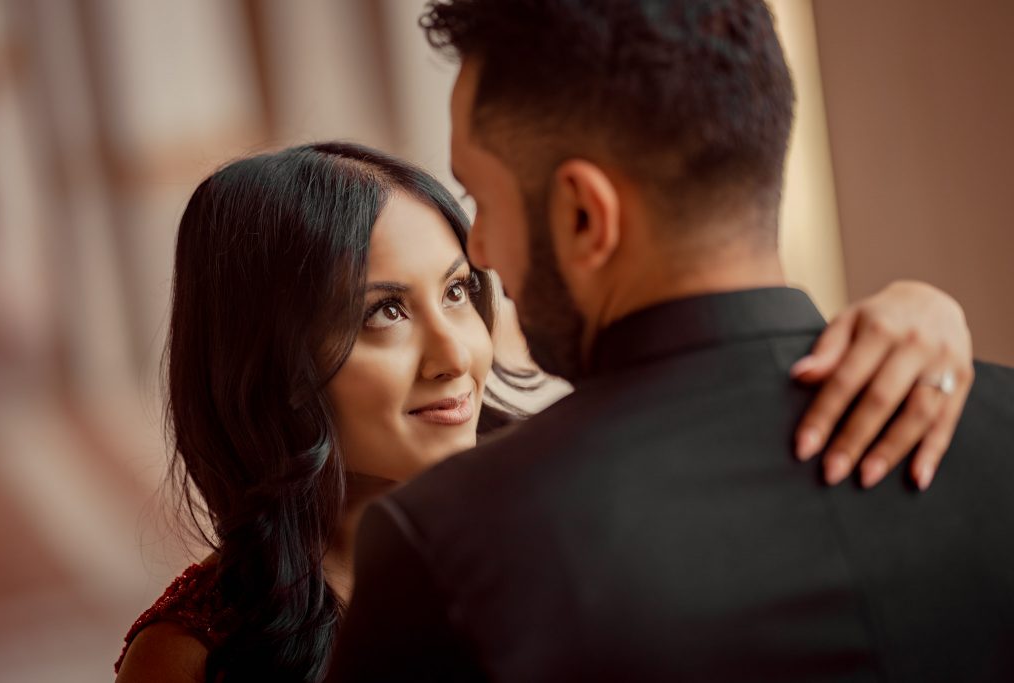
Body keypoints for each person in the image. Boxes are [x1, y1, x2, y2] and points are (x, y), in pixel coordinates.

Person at [329, 2, 1014, 681]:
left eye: (482, 199)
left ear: (583, 215)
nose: (479, 249)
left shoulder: (450, 547)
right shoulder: (997, 423)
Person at [114, 140, 971, 683]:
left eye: (458, 292)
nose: (458, 353)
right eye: (385, 311)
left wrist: (924, 311)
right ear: (271, 365)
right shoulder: (193, 656)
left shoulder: (579, 494)